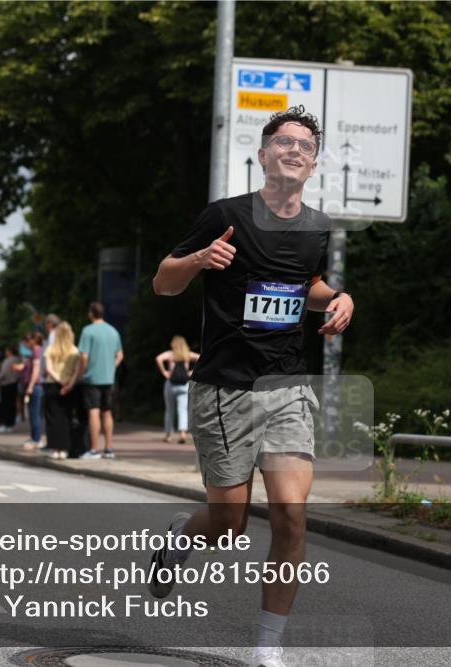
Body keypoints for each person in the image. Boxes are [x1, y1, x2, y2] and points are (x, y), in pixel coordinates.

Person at [149, 106, 354, 667]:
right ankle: (177, 540)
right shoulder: (226, 215)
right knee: (229, 523)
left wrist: (338, 298)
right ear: (263, 155)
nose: (294, 149)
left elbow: (305, 283)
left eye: (305, 145)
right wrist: (198, 257)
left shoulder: (317, 227)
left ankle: (267, 646)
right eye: (283, 141)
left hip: (286, 386)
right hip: (225, 390)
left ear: (313, 165)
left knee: (291, 514)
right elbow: (163, 283)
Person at [67, 302, 123, 460]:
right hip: (109, 378)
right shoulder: (113, 331)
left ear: (91, 313)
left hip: (92, 379)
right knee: (107, 412)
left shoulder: (88, 331)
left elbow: (83, 356)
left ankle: (94, 449)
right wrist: (111, 367)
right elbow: (120, 355)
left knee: (93, 412)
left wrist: (82, 373)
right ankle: (109, 448)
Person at [44, 321, 80, 460]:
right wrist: (69, 384)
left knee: (53, 418)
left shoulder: (51, 349)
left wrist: (59, 380)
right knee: (67, 417)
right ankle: (65, 448)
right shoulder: (75, 351)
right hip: (69, 387)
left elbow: (48, 368)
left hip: (53, 385)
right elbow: (77, 371)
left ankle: (55, 448)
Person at [156, 336, 200, 443]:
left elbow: (158, 358)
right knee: (183, 410)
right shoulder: (187, 355)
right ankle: (183, 434)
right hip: (184, 384)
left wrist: (164, 372)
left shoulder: (171, 354)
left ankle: (168, 435)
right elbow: (200, 357)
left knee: (169, 410)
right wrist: (191, 372)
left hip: (170, 383)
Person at [20, 331, 44, 449]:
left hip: (35, 386)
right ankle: (34, 437)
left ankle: (37, 439)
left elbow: (36, 370)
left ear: (32, 340)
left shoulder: (36, 350)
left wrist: (30, 386)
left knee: (34, 413)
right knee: (33, 413)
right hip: (34, 385)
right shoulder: (36, 351)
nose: (25, 344)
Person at [0, 344, 20, 433]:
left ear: (10, 351)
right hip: (15, 383)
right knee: (12, 405)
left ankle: (6, 424)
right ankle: (11, 424)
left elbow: (3, 373)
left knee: (5, 405)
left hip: (6, 384)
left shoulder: (7, 361)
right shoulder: (17, 360)